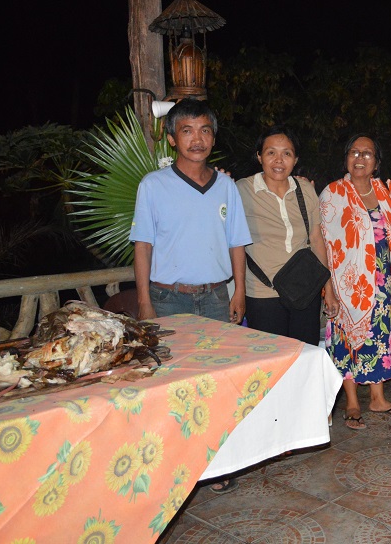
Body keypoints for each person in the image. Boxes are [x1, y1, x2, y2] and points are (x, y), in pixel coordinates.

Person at [130, 98, 252, 493]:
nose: (196, 139)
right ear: (172, 138)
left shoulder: (226, 186)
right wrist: (145, 302)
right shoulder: (153, 186)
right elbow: (143, 247)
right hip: (169, 300)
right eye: (187, 131)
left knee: (215, 381)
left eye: (204, 131)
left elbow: (237, 243)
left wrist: (238, 291)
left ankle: (215, 462)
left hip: (215, 298)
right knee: (172, 384)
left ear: (213, 138)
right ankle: (175, 465)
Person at [319, 134, 391, 430]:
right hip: (348, 284)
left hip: (384, 281)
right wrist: (329, 287)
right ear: (346, 158)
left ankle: (377, 399)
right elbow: (322, 243)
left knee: (380, 337)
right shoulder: (333, 193)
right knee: (347, 340)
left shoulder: (384, 192)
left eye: (367, 153)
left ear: (377, 162)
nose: (360, 158)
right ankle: (352, 403)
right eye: (354, 152)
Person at [236, 125, 331, 345]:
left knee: (304, 353)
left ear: (295, 159)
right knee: (271, 357)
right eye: (271, 152)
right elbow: (234, 242)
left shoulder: (305, 189)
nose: (279, 160)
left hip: (305, 290)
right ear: (259, 156)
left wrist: (328, 288)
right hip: (262, 293)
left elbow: (317, 240)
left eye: (286, 153)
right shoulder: (242, 190)